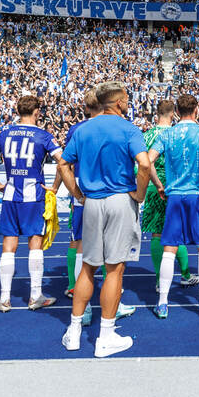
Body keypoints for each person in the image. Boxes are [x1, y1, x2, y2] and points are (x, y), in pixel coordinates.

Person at [59, 81, 151, 358]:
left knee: (87, 266)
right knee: (114, 269)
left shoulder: (83, 128)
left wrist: (77, 193)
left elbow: (64, 164)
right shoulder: (127, 128)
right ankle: (106, 335)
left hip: (91, 202)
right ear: (120, 101)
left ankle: (74, 331)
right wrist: (139, 193)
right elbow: (144, 164)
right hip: (120, 199)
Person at [0, 95, 61, 312]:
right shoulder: (43, 135)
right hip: (34, 195)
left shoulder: (4, 134)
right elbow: (63, 161)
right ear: (37, 112)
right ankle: (35, 296)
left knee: (9, 246)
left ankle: (4, 298)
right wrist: (55, 187)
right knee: (35, 243)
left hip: (11, 194)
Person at [148, 93, 199, 319]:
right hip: (197, 195)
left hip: (174, 195)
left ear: (177, 113)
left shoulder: (168, 133)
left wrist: (158, 184)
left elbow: (147, 160)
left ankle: (162, 303)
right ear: (196, 110)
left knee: (170, 248)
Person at [142, 99, 198, 293]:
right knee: (177, 233)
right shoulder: (175, 134)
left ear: (156, 113)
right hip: (175, 187)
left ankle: (159, 280)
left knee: (156, 234)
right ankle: (185, 275)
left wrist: (153, 185)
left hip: (153, 187)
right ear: (174, 113)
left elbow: (142, 165)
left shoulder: (147, 135)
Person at [62, 91, 100, 298]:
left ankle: (74, 284)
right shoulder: (112, 126)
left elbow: (64, 164)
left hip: (80, 186)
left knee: (77, 238)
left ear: (85, 107)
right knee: (107, 238)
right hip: (105, 188)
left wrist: (65, 189)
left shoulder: (75, 129)